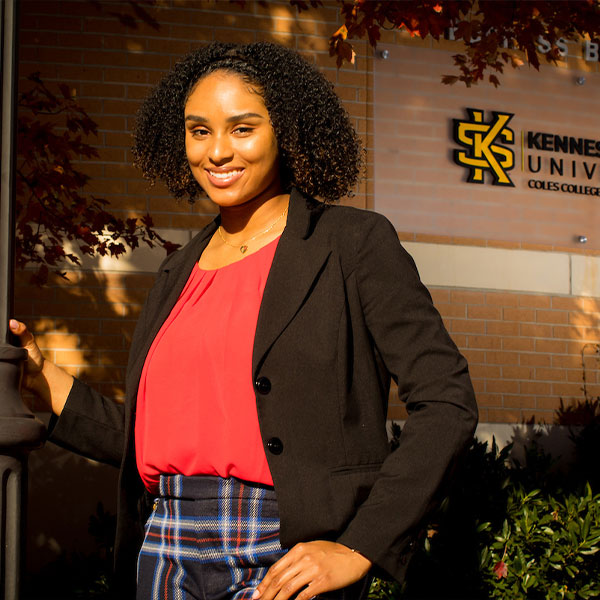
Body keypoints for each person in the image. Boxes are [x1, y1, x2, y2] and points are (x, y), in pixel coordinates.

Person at [11, 42, 478, 600]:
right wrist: (44, 378)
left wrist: (361, 545)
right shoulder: (177, 270)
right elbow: (157, 438)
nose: (216, 151)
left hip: (281, 552)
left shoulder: (350, 244)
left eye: (242, 128)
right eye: (198, 130)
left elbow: (446, 400)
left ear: (286, 131)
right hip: (165, 545)